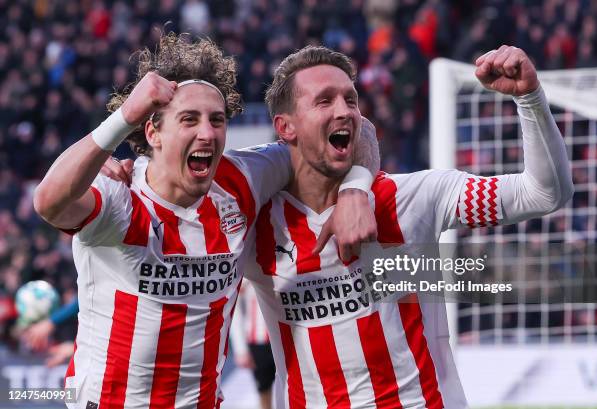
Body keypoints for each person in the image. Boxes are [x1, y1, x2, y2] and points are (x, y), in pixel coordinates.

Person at [33, 32, 379, 409]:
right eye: (189, 120)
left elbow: (357, 131)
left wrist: (356, 190)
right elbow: (49, 202)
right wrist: (123, 117)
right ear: (153, 131)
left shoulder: (242, 179)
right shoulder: (121, 196)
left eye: (217, 120)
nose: (207, 133)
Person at [242, 45, 573, 408]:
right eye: (324, 101)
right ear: (284, 127)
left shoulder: (413, 196)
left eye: (350, 100)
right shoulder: (253, 226)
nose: (345, 111)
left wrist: (529, 98)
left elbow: (543, 193)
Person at [229, 280, 275, 409]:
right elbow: (235, 310)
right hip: (259, 341)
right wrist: (240, 349)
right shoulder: (245, 275)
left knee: (294, 387)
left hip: (286, 338)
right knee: (264, 389)